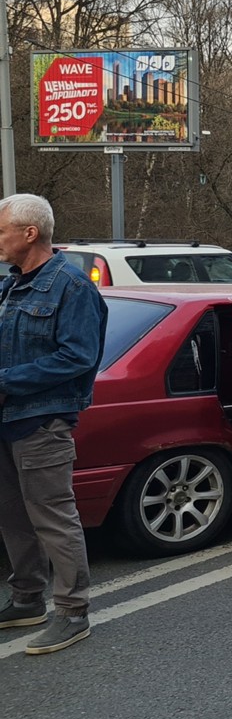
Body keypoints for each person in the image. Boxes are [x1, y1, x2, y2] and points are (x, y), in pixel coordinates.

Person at [0, 194, 108, 655]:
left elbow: (78, 357)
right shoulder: (12, 285)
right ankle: (27, 599)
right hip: (6, 421)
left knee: (53, 519)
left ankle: (72, 611)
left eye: (2, 230)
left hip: (41, 423)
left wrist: (6, 381)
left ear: (29, 233)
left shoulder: (72, 286)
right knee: (12, 517)